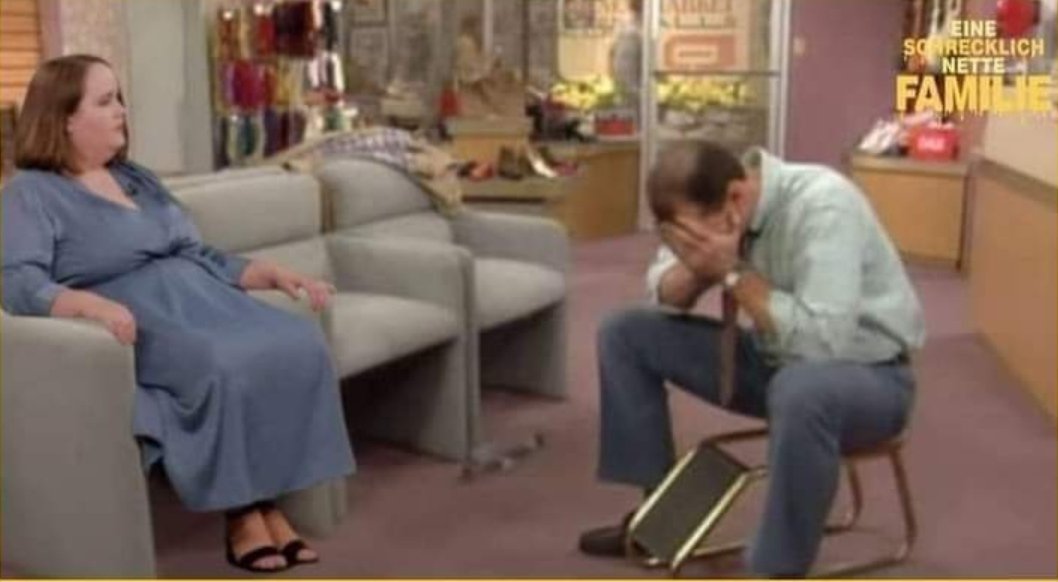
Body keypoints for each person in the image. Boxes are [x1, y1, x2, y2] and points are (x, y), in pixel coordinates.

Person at [1, 54, 355, 573]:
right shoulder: (30, 193)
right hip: (143, 321)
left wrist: (271, 273)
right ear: (65, 118)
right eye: (106, 101)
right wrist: (91, 304)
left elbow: (199, 254)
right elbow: (18, 284)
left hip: (205, 299)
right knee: (223, 364)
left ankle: (267, 503)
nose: (122, 111)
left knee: (299, 342)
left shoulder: (136, 179)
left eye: (120, 98)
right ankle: (243, 514)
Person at [577, 142, 925, 577]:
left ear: (736, 197)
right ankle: (661, 521)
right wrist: (697, 266)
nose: (688, 244)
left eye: (693, 235)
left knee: (800, 390)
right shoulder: (707, 204)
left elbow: (822, 344)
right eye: (678, 238)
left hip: (869, 377)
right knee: (625, 333)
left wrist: (733, 271)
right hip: (774, 360)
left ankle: (776, 568)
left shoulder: (825, 204)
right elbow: (665, 294)